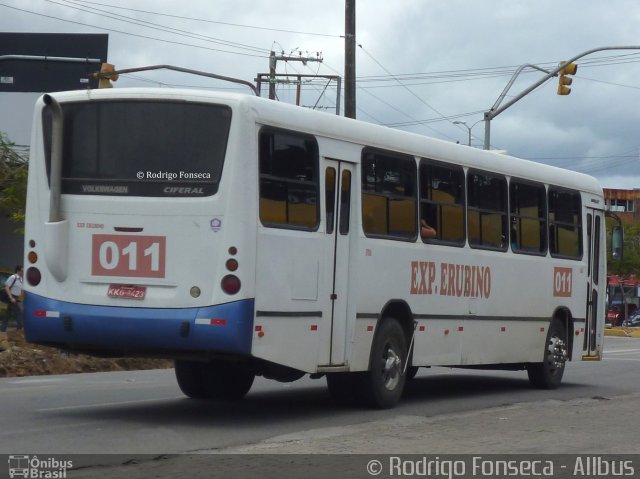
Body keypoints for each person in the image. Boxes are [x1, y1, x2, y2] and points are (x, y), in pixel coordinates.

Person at [0, 266, 24, 351]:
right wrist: (11, 298)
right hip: (11, 297)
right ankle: (19, 330)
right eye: (22, 270)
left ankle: (2, 330)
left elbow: (20, 291)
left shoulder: (21, 280)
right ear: (18, 270)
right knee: (19, 312)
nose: (23, 271)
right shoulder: (13, 277)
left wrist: (18, 298)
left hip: (15, 298)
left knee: (8, 314)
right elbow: (6, 287)